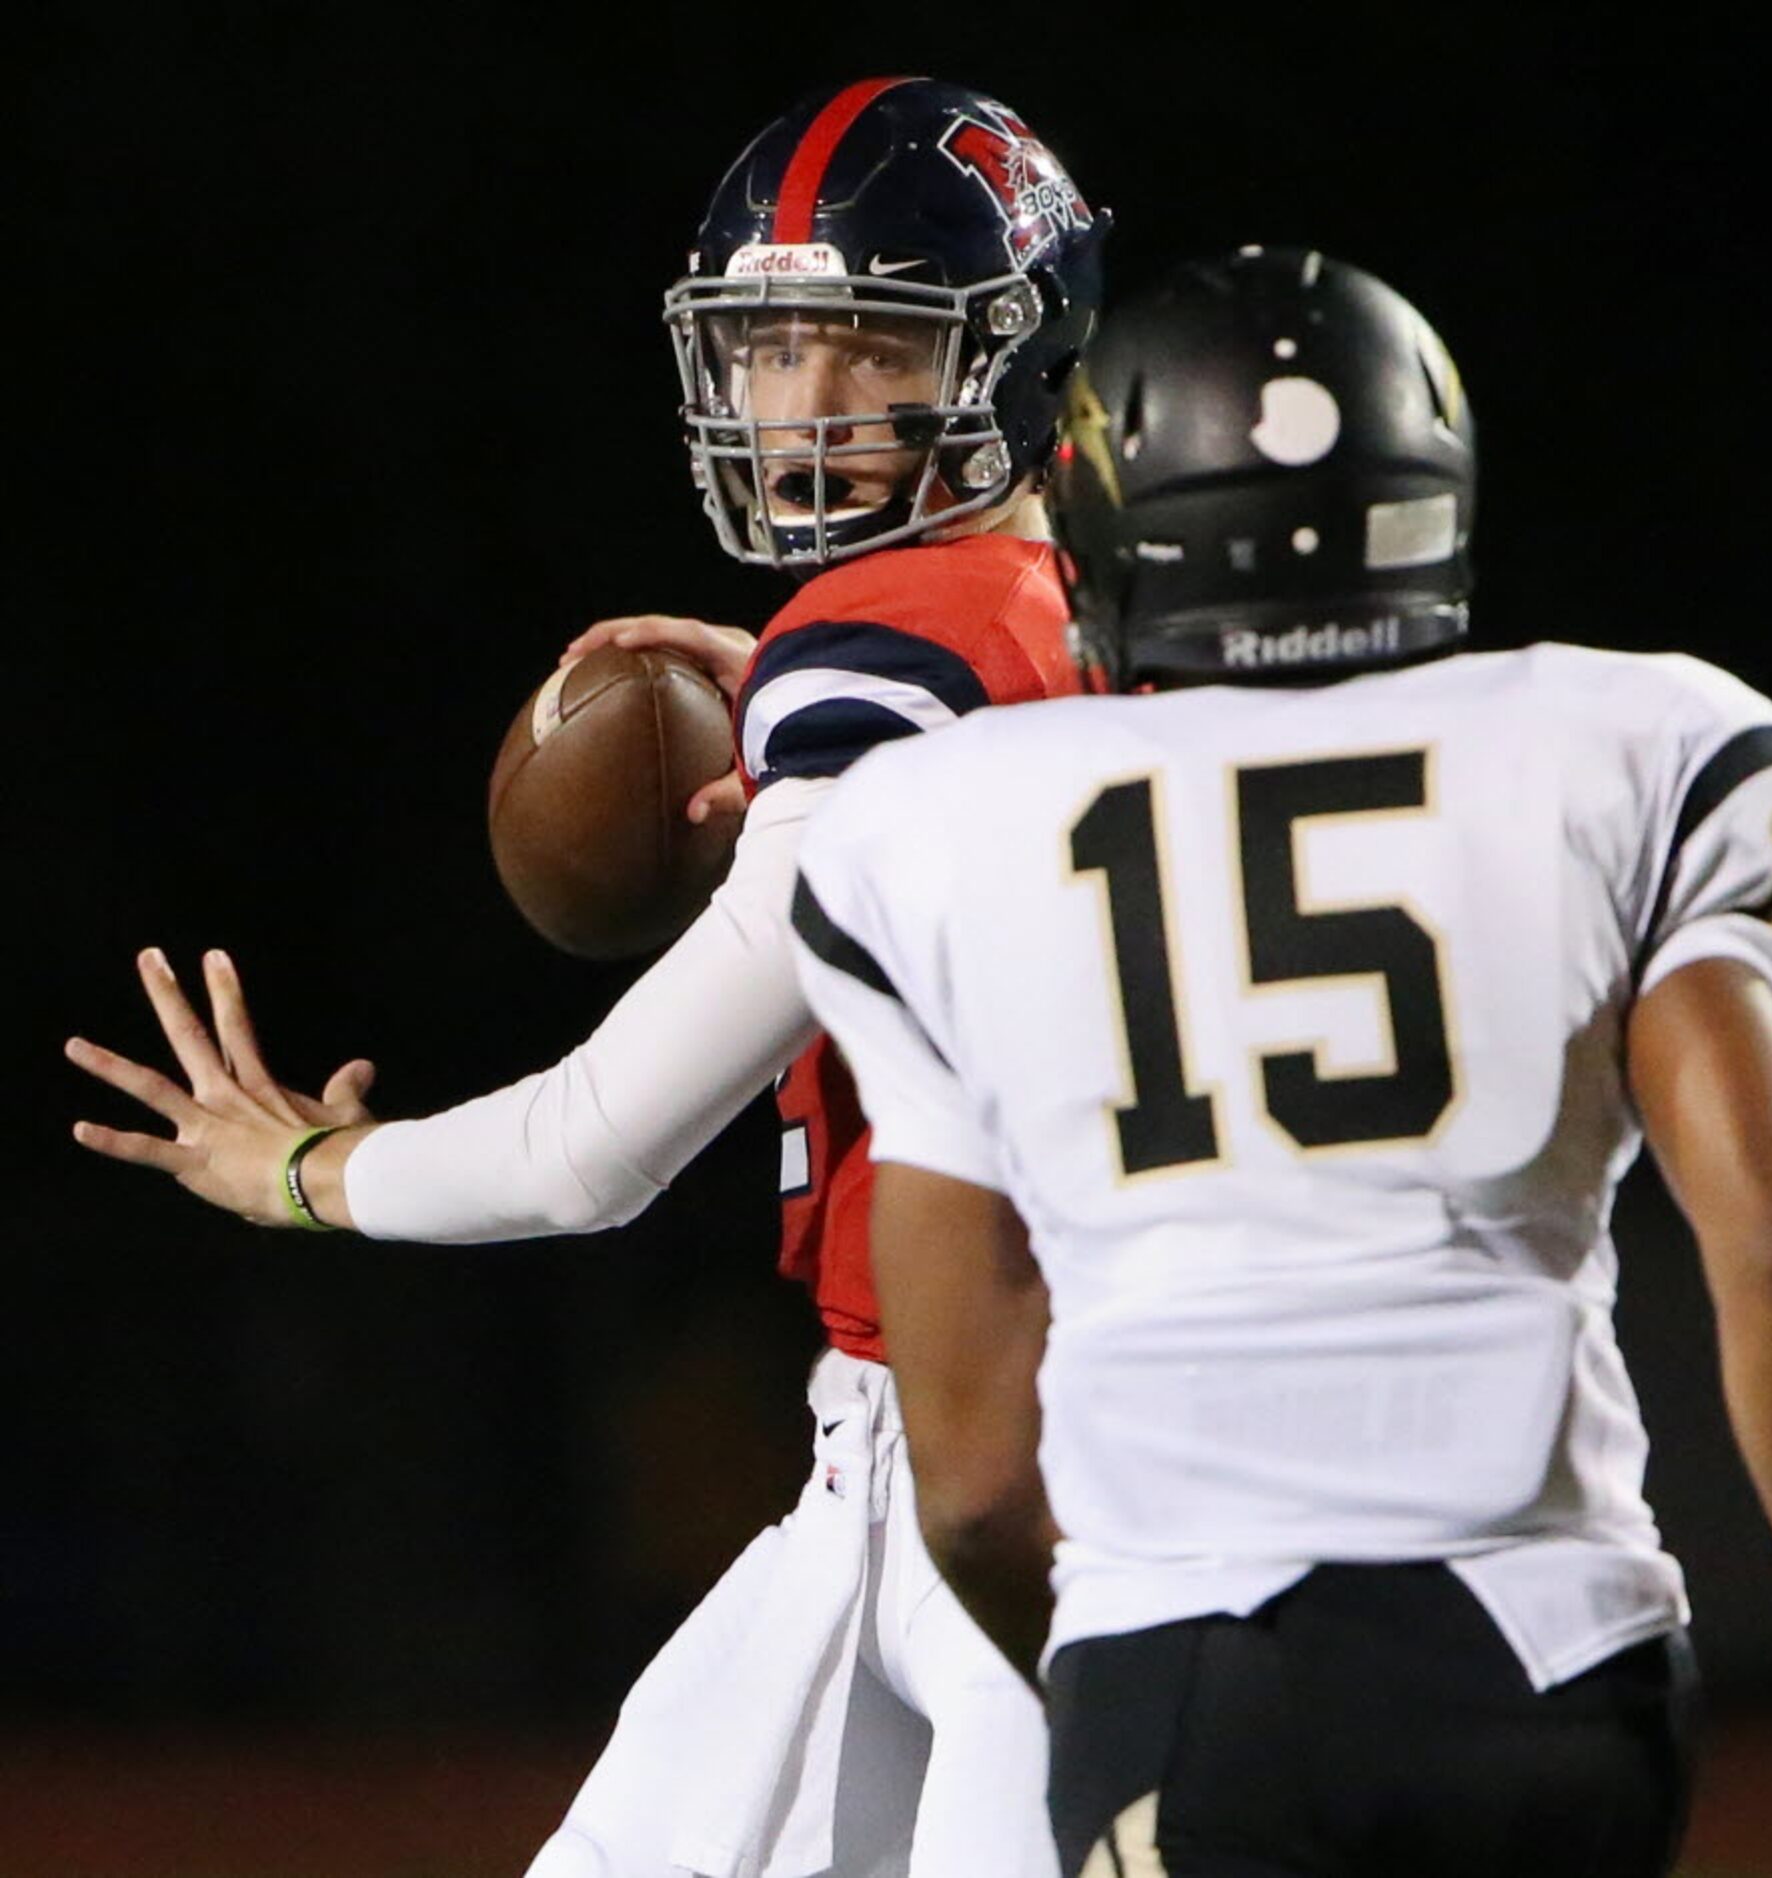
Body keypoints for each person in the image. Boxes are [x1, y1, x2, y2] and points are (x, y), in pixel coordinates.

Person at [787, 247, 1772, 1877]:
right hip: (1558, 1664)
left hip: (1194, 1662)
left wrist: (1114, 1687)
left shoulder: (941, 827)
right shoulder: (1630, 747)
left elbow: (977, 1479)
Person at [66, 76, 1105, 1878]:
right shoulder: (1098, 600)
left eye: (866, 345)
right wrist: (818, 699)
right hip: (963, 1448)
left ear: (1011, 347)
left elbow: (589, 1149)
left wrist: (305, 1172)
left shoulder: (886, 663)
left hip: (1026, 1467)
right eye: (770, 349)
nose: (802, 403)